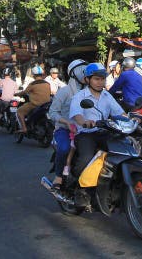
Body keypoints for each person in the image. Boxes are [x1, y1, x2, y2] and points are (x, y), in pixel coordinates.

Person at [69, 63, 126, 188]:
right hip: (86, 134)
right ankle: (78, 186)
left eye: (102, 79)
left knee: (123, 152)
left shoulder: (107, 95)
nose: (100, 82)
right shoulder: (79, 97)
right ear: (87, 80)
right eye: (96, 79)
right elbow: (77, 115)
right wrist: (85, 122)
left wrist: (131, 120)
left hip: (106, 132)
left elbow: (119, 113)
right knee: (87, 158)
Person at [46, 59, 87, 187]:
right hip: (65, 129)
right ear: (73, 73)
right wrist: (67, 122)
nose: (85, 73)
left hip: (86, 130)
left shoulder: (91, 91)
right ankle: (58, 176)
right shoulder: (64, 91)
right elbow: (52, 112)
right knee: (64, 149)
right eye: (82, 70)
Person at [15, 66, 51, 134]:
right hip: (46, 104)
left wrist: (17, 94)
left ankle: (24, 128)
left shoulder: (32, 84)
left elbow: (24, 92)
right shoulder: (47, 83)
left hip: (35, 105)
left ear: (33, 75)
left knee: (19, 111)